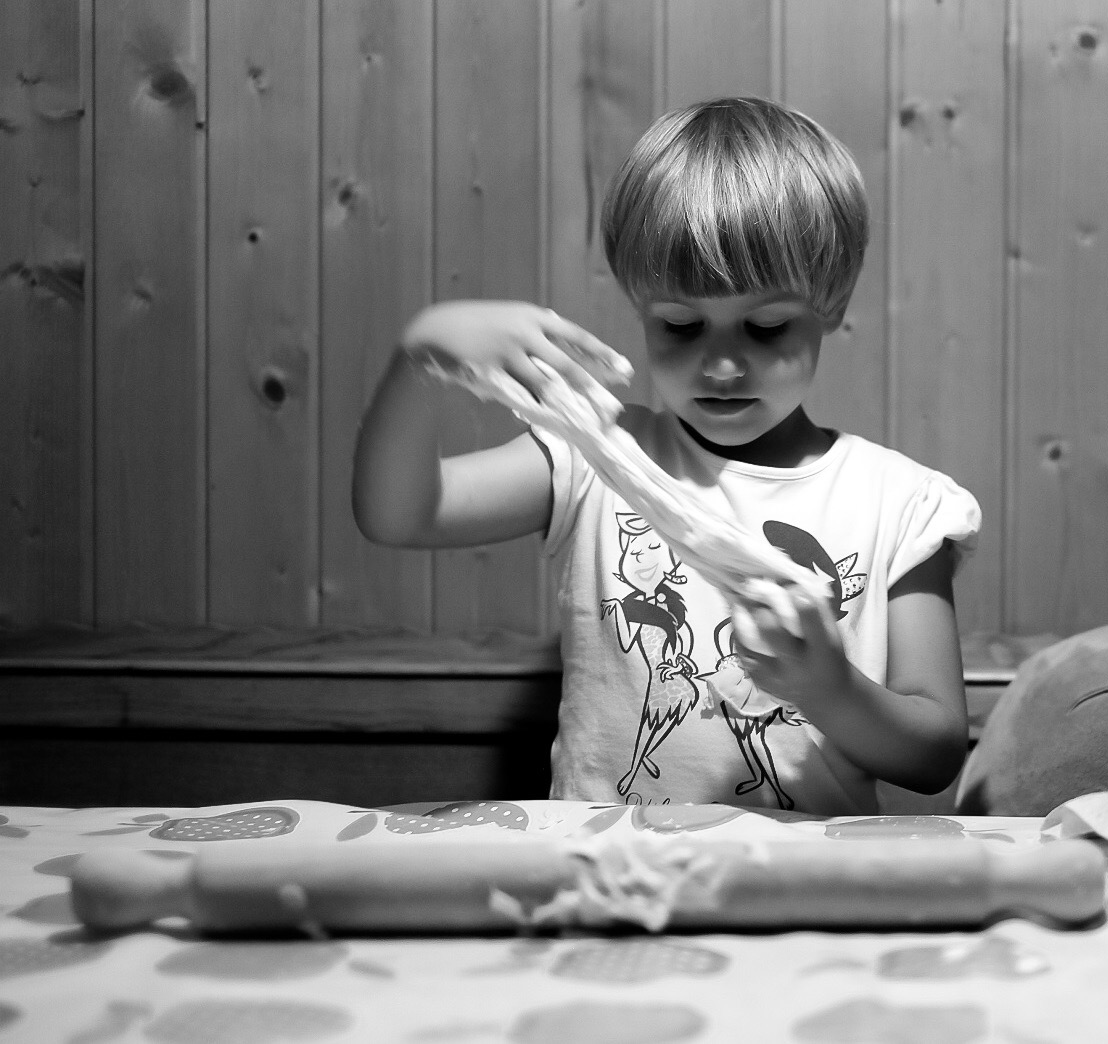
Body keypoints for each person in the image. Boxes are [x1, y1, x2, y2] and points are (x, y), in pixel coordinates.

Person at [353, 97, 980, 814]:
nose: (722, 365)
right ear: (639, 306)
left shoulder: (899, 502)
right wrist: (420, 359)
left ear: (830, 306)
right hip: (603, 862)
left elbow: (935, 756)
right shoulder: (598, 456)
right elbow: (401, 515)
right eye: (681, 325)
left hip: (802, 871)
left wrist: (830, 690)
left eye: (766, 327)